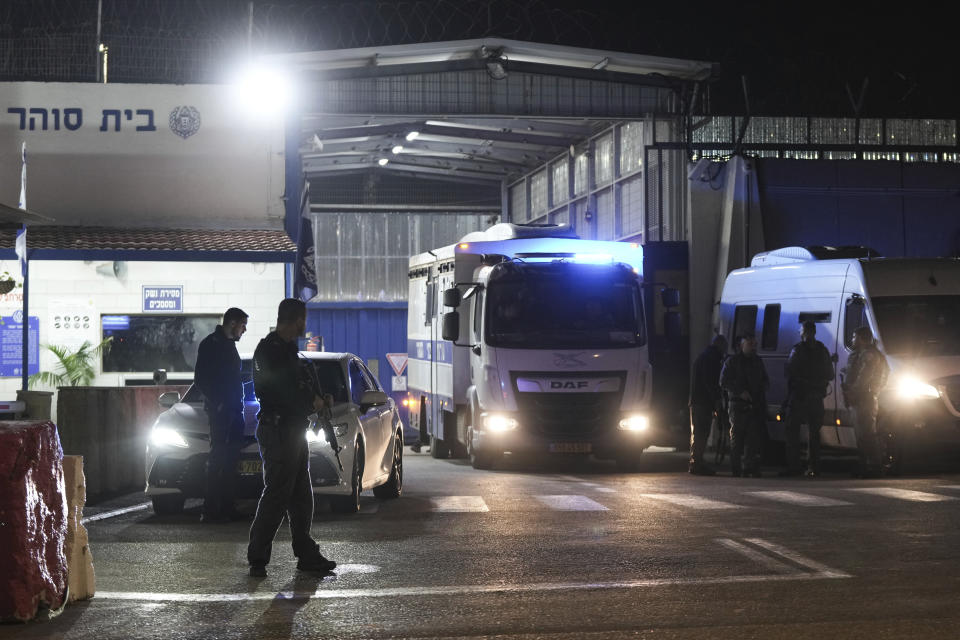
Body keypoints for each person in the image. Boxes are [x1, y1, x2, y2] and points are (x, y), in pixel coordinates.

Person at [247, 298, 337, 578]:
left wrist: (316, 401)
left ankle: (306, 553)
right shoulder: (270, 350)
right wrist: (314, 401)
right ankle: (258, 558)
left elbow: (296, 388)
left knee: (300, 495)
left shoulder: (286, 350)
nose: (305, 325)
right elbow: (283, 391)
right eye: (303, 319)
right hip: (279, 430)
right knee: (277, 494)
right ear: (296, 319)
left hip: (293, 429)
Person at [193, 307, 248, 523]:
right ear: (232, 323)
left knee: (231, 460)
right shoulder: (211, 345)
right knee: (217, 459)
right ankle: (210, 509)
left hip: (235, 411)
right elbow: (201, 379)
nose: (243, 331)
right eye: (242, 326)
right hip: (222, 412)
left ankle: (227, 506)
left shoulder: (229, 346)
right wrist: (218, 403)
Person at [781, 320, 835, 477]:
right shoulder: (823, 350)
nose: (799, 331)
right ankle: (814, 467)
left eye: (801, 330)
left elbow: (790, 373)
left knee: (792, 431)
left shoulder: (798, 350)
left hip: (799, 397)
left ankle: (794, 467)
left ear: (804, 332)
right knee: (814, 434)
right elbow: (830, 374)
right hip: (817, 397)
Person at [842, 326, 890, 478]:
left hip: (865, 398)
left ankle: (875, 467)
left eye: (855, 337)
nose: (852, 340)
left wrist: (853, 391)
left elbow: (865, 377)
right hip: (860, 397)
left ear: (862, 339)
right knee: (861, 434)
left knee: (867, 434)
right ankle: (865, 466)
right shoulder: (860, 354)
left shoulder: (869, 355)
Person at [720, 334, 769, 478]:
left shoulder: (758, 361)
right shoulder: (732, 362)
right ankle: (736, 468)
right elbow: (723, 382)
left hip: (754, 405)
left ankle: (749, 466)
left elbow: (765, 380)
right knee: (737, 438)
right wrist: (739, 392)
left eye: (754, 344)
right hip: (738, 405)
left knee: (752, 439)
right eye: (750, 344)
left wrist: (763, 389)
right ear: (741, 346)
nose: (753, 347)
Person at [688, 334, 728, 475]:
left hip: (697, 401)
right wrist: (717, 402)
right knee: (701, 433)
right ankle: (696, 464)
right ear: (720, 345)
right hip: (703, 402)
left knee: (698, 432)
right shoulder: (712, 359)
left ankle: (695, 462)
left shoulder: (704, 356)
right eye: (725, 347)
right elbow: (711, 383)